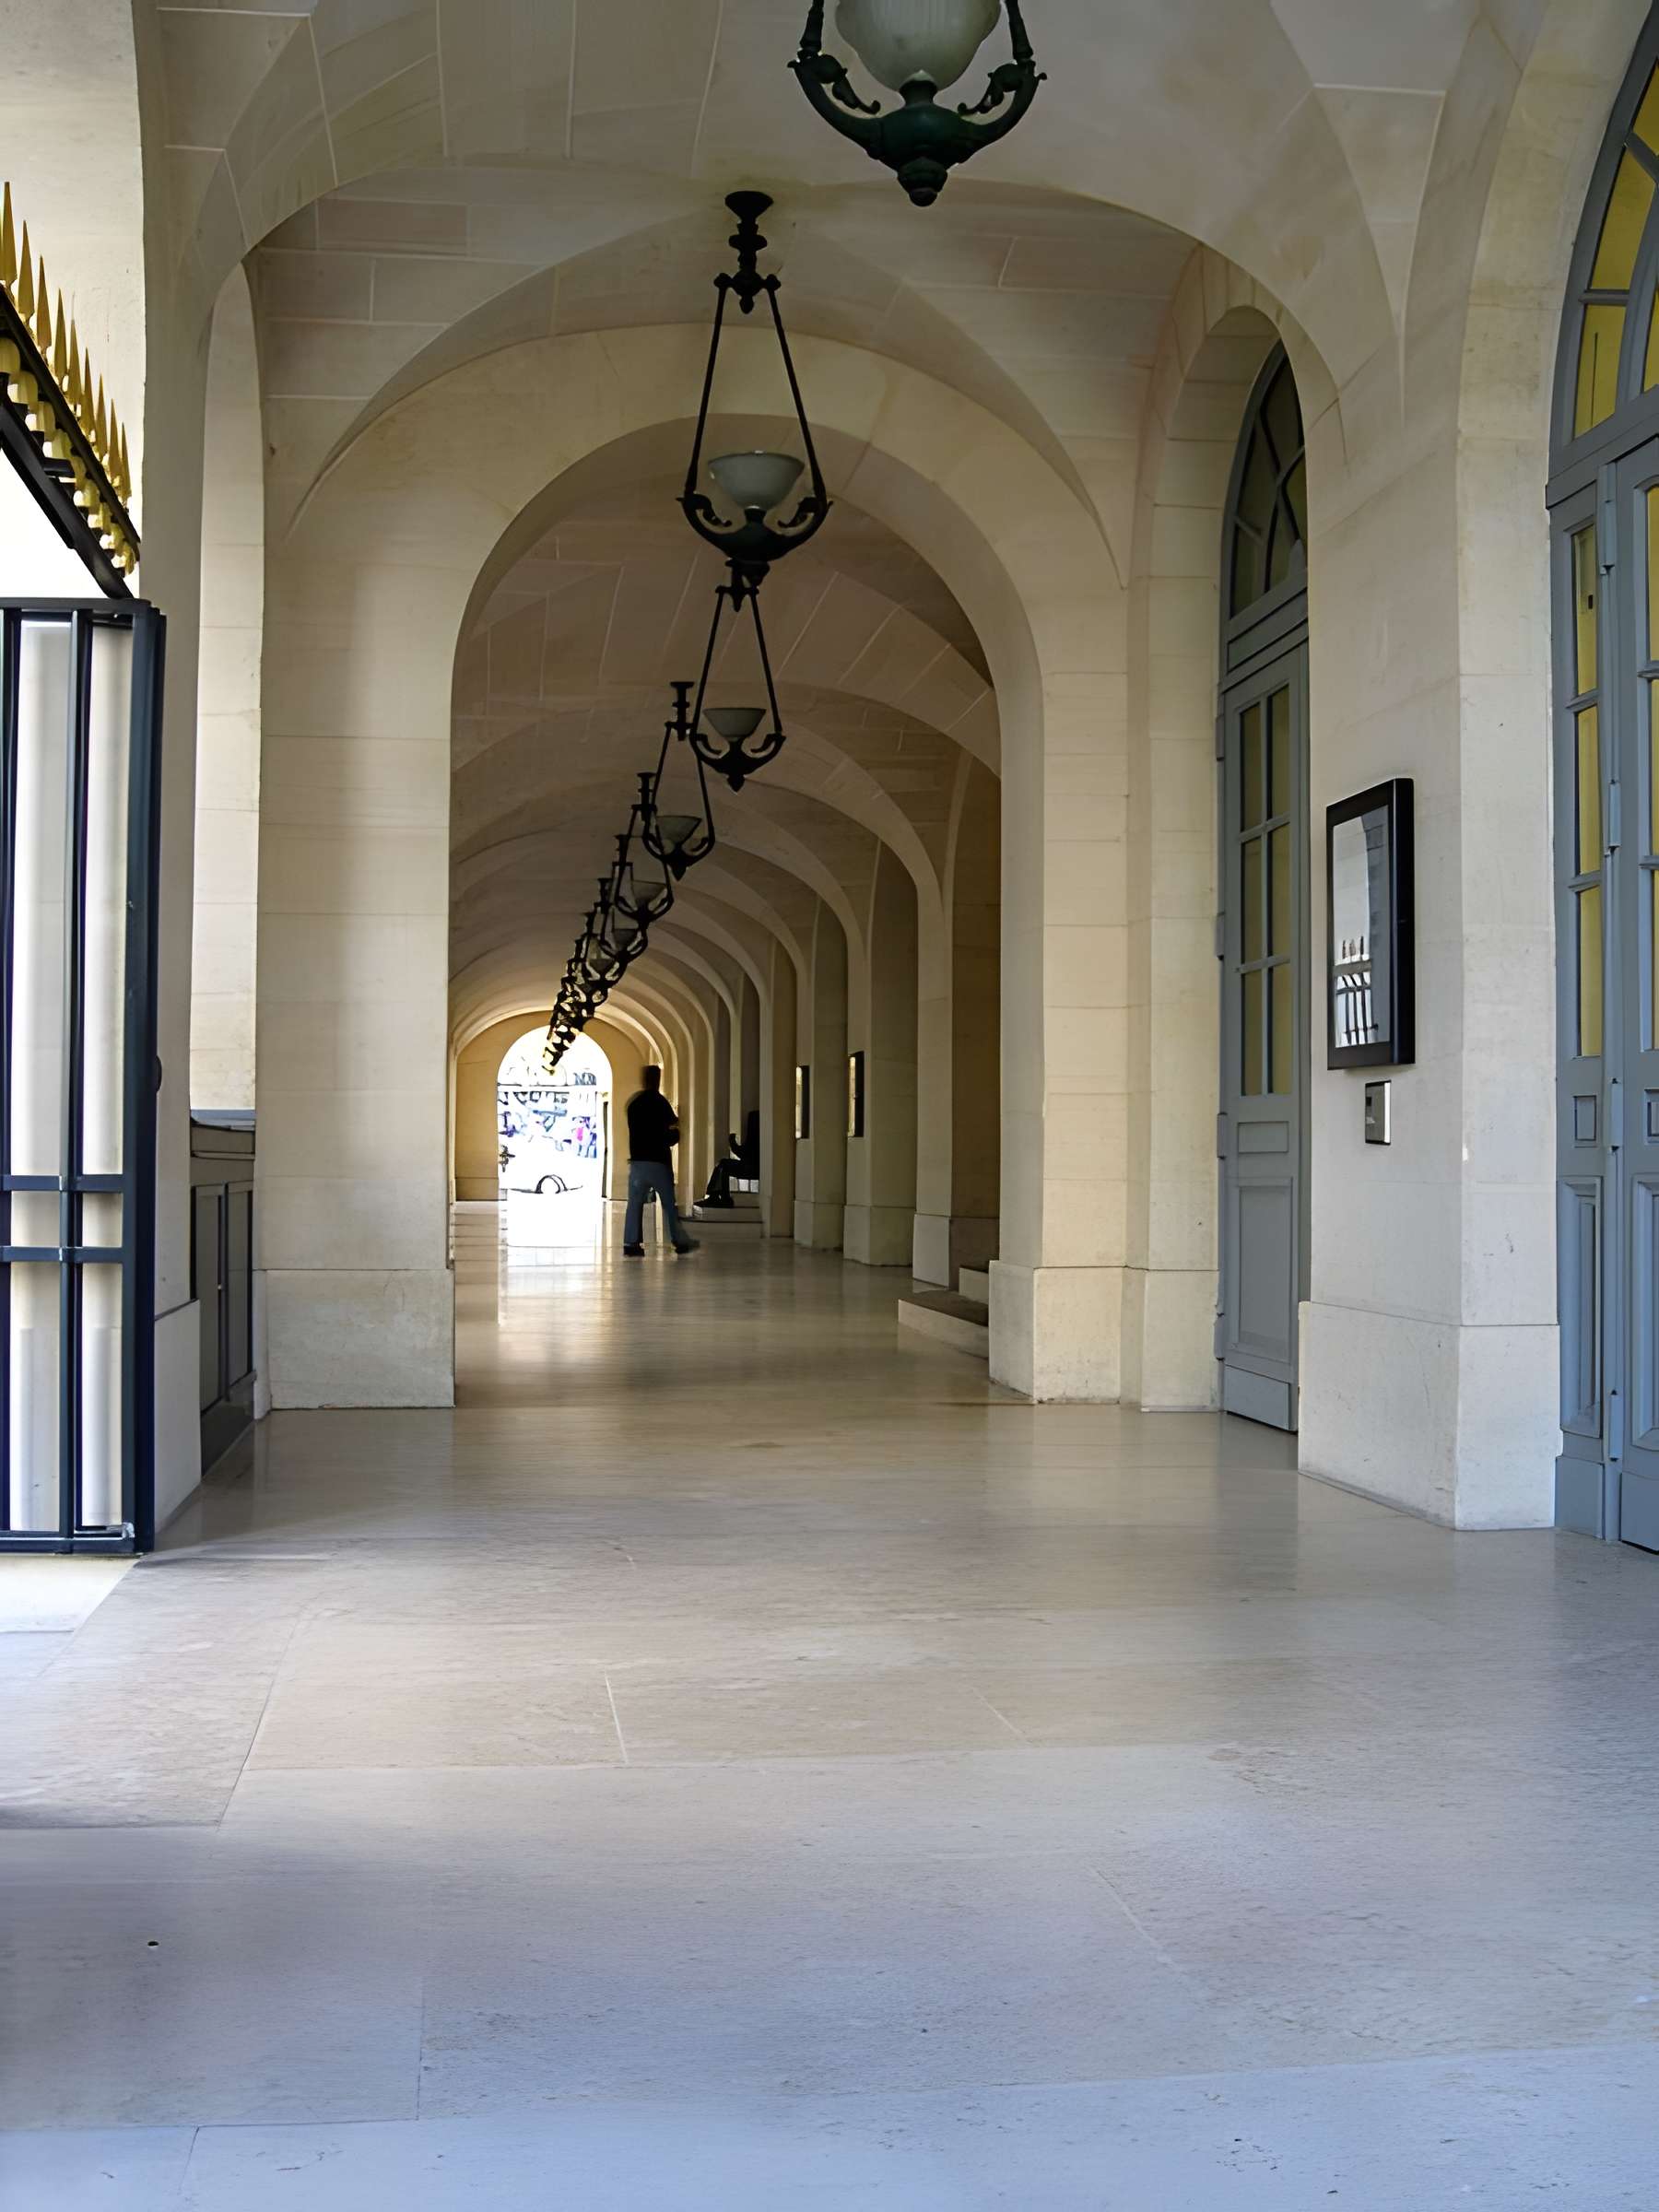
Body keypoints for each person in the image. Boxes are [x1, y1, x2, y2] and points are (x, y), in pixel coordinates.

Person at [622, 1065, 699, 1257]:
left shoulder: (634, 1104)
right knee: (668, 1204)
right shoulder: (660, 1102)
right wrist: (676, 1134)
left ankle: (631, 1243)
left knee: (634, 1203)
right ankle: (678, 1240)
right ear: (657, 1080)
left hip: (638, 1162)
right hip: (658, 1162)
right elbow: (671, 1126)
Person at [701, 1110, 760, 1208]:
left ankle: (719, 1197)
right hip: (753, 1167)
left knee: (724, 1164)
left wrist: (732, 1142)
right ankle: (717, 1196)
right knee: (723, 1164)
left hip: (752, 1168)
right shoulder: (760, 1136)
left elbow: (745, 1153)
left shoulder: (755, 1137)